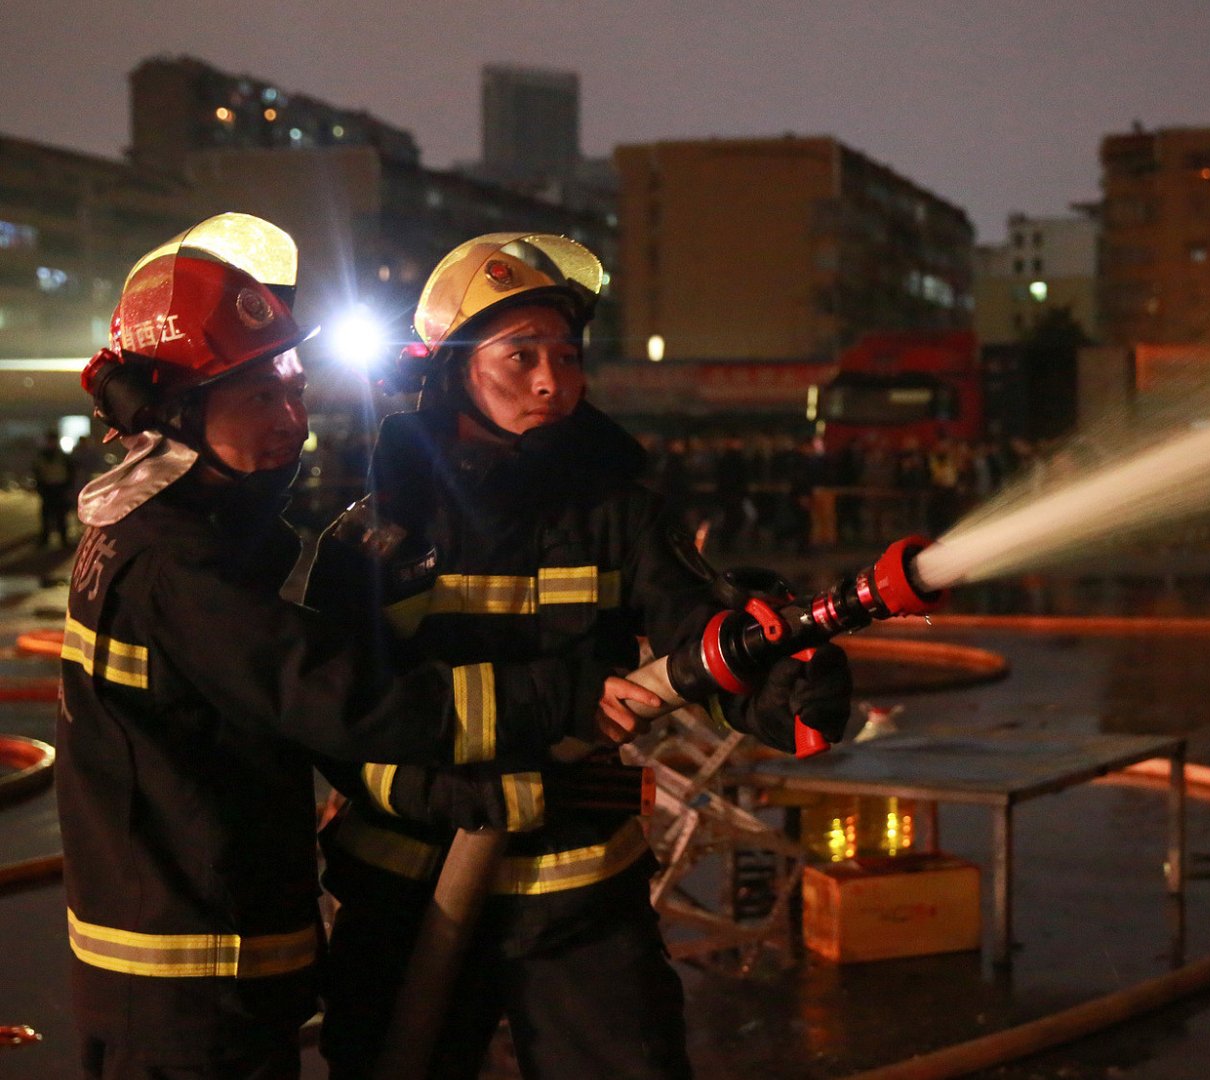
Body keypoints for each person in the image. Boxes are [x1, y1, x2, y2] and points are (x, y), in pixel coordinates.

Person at [57, 214, 652, 1080]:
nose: (294, 424)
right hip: (192, 969)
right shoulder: (179, 564)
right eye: (261, 396)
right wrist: (560, 695)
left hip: (197, 951)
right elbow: (339, 696)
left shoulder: (161, 530)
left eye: (296, 391)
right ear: (177, 411)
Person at [312, 232, 854, 1080]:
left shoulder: (618, 511)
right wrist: (423, 786)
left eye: (565, 355)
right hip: (408, 894)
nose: (551, 381)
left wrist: (778, 688)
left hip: (578, 899)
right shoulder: (383, 528)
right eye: (519, 354)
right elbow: (333, 708)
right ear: (452, 370)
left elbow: (692, 638)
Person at [32, 429, 74, 547]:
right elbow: (37, 473)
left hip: (59, 488)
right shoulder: (42, 456)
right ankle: (45, 538)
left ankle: (63, 538)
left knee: (61, 515)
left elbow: (70, 472)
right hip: (47, 488)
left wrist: (67, 486)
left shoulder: (63, 457)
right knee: (46, 515)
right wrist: (40, 487)